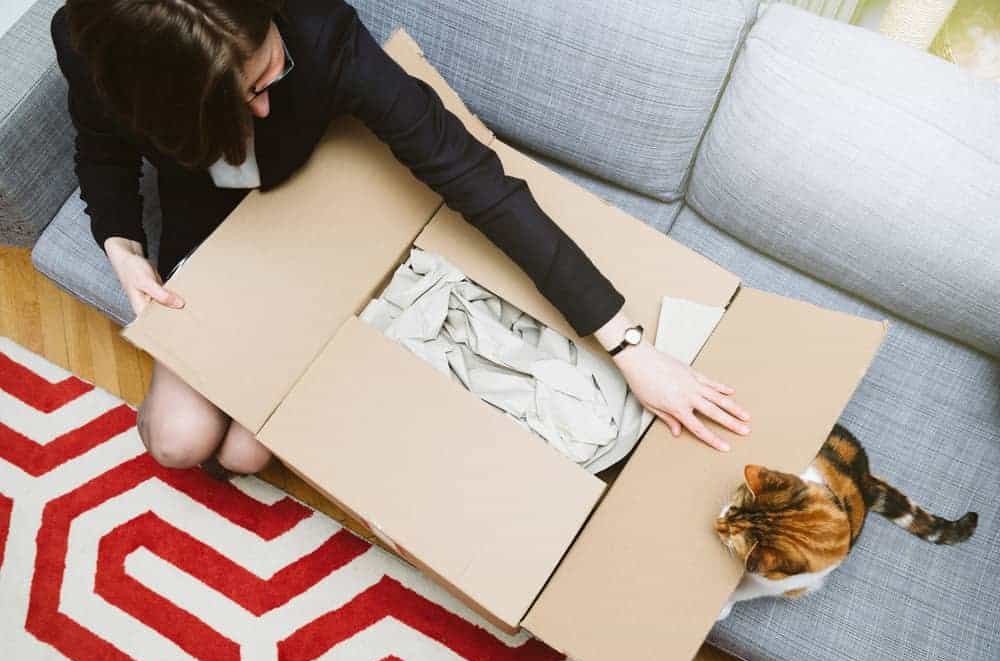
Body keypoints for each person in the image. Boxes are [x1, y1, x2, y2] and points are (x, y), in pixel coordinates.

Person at [51, 0, 752, 477]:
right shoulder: (92, 45)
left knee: (243, 454)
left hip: (318, 216)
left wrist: (631, 348)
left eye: (269, 75)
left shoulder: (318, 34)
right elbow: (101, 150)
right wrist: (123, 248)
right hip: (211, 234)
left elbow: (475, 179)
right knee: (180, 441)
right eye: (238, 100)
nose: (264, 106)